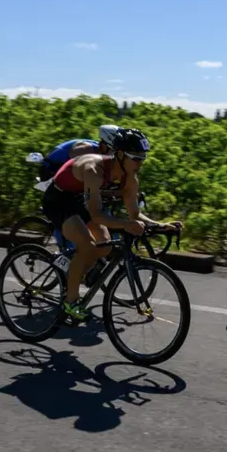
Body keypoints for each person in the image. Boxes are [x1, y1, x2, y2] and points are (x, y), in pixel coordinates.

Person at [41, 126, 176, 322]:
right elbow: (96, 215)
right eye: (136, 157)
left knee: (104, 245)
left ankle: (73, 274)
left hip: (79, 198)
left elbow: (135, 214)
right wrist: (126, 224)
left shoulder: (130, 179)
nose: (141, 163)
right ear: (120, 154)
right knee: (86, 243)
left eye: (143, 158)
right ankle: (70, 301)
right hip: (58, 199)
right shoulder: (94, 170)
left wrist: (161, 225)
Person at [35, 124, 121, 181]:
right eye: (112, 149)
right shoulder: (86, 149)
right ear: (104, 144)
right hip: (50, 170)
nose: (112, 153)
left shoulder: (99, 150)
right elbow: (72, 170)